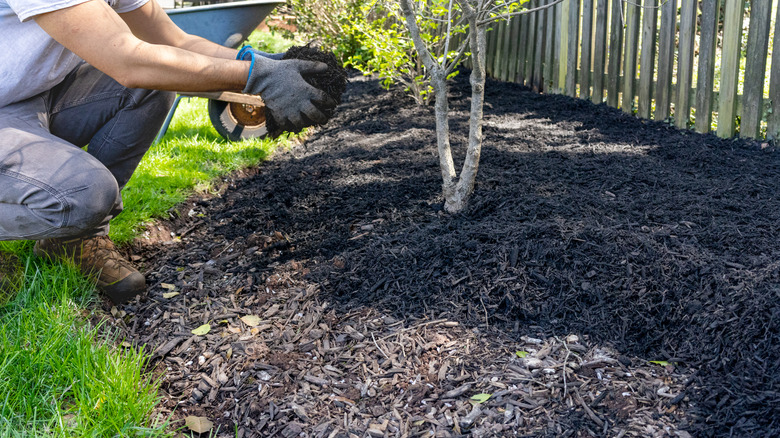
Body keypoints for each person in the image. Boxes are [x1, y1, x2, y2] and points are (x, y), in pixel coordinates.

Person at [0, 0, 336, 303]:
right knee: (85, 193)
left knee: (154, 86)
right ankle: (72, 217)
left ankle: (71, 242)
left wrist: (259, 63)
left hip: (31, 97)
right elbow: (128, 61)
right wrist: (256, 77)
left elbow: (175, 42)